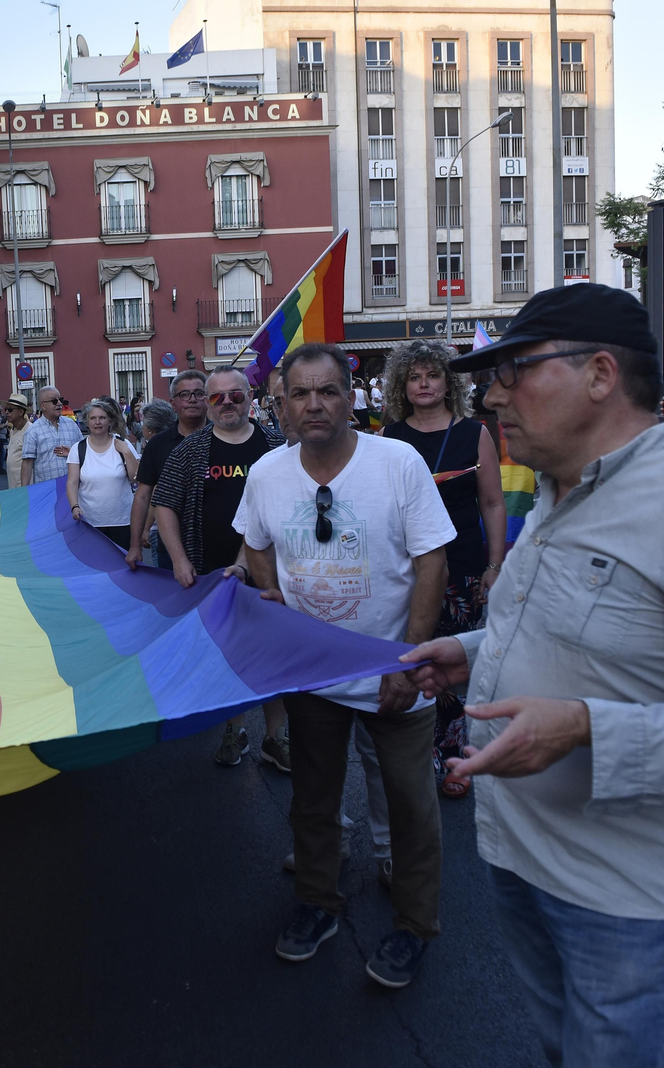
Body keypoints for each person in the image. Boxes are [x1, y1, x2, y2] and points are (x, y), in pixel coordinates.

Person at [402, 283, 664, 1065]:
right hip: (525, 863)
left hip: (631, 901)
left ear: (599, 374)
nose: (493, 396)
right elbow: (579, 628)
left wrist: (589, 728)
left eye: (514, 370)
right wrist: (474, 652)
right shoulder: (560, 486)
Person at [234, 342, 452, 989]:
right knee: (313, 801)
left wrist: (405, 662)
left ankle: (415, 927)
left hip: (395, 671)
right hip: (312, 674)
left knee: (412, 810)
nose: (314, 405)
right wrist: (270, 594)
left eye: (327, 391)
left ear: (350, 398)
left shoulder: (398, 462)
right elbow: (254, 542)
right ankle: (317, 904)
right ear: (281, 405)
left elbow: (432, 563)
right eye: (299, 394)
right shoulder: (267, 474)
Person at [379, 339, 507, 800]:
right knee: (409, 662)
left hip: (464, 567)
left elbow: (492, 503)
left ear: (448, 383)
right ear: (402, 386)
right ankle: (418, 757)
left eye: (432, 375)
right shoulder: (389, 437)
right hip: (405, 570)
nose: (424, 384)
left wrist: (495, 565)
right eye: (414, 377)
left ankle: (455, 757)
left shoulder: (475, 434)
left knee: (453, 671)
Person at [153, 367, 288, 768]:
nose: (227, 403)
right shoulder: (191, 449)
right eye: (217, 397)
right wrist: (179, 559)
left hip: (273, 572)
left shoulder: (277, 444)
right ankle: (235, 730)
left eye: (236, 395)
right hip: (212, 573)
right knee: (227, 656)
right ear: (209, 405)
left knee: (273, 654)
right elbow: (164, 504)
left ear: (251, 398)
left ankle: (276, 737)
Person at [127, 369, 208, 569]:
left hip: (217, 545)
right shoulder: (157, 445)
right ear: (173, 403)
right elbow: (143, 496)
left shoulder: (223, 438)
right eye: (184, 394)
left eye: (199, 393)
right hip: (171, 546)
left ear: (207, 399)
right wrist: (135, 545)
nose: (192, 399)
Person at [65, 397, 140, 547]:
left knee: (123, 560)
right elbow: (72, 482)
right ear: (87, 422)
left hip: (122, 521)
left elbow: (135, 478)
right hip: (90, 521)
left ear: (110, 421)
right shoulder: (78, 449)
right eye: (93, 418)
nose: (97, 422)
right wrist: (74, 506)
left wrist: (127, 453)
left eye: (102, 418)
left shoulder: (123, 444)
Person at [21, 386, 82, 486]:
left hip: (73, 488)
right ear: (43, 406)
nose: (59, 403)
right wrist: (24, 491)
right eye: (54, 401)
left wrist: (72, 453)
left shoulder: (71, 425)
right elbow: (27, 463)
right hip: (47, 490)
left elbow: (83, 452)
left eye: (60, 399)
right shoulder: (33, 431)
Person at [3, 393, 32, 488]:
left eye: (10, 409)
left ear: (21, 412)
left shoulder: (30, 431)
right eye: (6, 409)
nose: (7, 412)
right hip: (13, 484)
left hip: (24, 487)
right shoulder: (13, 429)